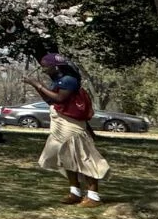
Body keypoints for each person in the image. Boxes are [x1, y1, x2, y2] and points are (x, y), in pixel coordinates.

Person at [25, 53, 109, 206]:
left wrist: (37, 84)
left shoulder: (69, 80)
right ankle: (75, 192)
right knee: (66, 157)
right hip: (59, 124)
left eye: (46, 67)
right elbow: (50, 100)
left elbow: (60, 99)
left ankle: (93, 196)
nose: (44, 70)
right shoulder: (57, 81)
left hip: (72, 125)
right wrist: (36, 87)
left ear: (56, 66)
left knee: (83, 157)